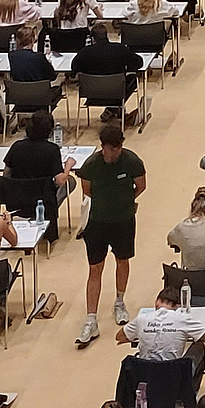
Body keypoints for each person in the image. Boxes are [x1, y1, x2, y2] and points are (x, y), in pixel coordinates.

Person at [67, 121, 147, 347]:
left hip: (123, 221)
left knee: (122, 261)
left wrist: (125, 202)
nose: (108, 153)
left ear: (120, 147)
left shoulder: (132, 161)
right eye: (105, 149)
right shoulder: (92, 164)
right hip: (97, 223)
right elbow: (87, 190)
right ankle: (91, 318)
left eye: (112, 149)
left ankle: (119, 301)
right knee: (95, 268)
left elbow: (141, 186)